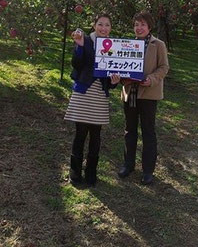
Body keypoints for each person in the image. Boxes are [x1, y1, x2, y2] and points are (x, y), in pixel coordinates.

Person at [65, 13, 120, 187]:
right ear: (94, 25)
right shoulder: (86, 40)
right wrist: (79, 47)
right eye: (100, 24)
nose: (104, 28)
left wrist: (114, 82)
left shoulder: (114, 46)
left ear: (111, 28)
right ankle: (75, 173)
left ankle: (91, 173)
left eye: (107, 25)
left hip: (99, 97)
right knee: (80, 134)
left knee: (96, 136)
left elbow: (110, 79)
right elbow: (76, 64)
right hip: (83, 94)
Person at [118, 11, 169, 185]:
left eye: (142, 25)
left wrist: (151, 79)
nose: (139, 28)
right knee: (129, 130)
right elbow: (120, 65)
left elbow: (164, 68)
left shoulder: (158, 45)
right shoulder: (127, 44)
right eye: (136, 25)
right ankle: (128, 164)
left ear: (149, 27)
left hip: (148, 95)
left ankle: (148, 170)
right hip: (130, 93)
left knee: (148, 132)